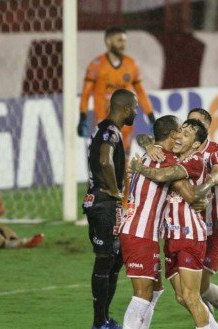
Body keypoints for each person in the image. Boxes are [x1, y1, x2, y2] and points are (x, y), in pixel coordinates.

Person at [138, 108, 218, 329]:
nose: (180, 133)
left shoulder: (207, 155)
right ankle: (209, 320)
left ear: (204, 131)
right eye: (183, 127)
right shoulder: (178, 152)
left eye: (191, 128)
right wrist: (149, 145)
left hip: (206, 229)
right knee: (183, 296)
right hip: (174, 232)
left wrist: (205, 187)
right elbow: (148, 136)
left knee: (196, 291)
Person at [120, 115, 212, 329]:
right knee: (143, 294)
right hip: (140, 233)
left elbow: (144, 137)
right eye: (180, 130)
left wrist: (148, 146)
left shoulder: (149, 154)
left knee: (156, 291)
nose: (181, 134)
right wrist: (204, 195)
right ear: (172, 134)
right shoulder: (166, 160)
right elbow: (189, 196)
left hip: (142, 231)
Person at [83, 89, 138, 329]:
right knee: (106, 260)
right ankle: (99, 322)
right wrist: (115, 190)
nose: (135, 112)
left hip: (103, 204)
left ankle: (104, 318)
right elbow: (105, 160)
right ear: (125, 109)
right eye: (134, 108)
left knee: (115, 261)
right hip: (103, 204)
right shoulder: (110, 132)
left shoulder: (105, 129)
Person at [78, 26, 156, 153]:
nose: (123, 44)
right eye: (119, 40)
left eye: (124, 41)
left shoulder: (131, 65)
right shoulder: (96, 66)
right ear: (108, 42)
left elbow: (141, 93)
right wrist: (82, 118)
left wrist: (152, 118)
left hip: (126, 125)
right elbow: (86, 94)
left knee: (123, 165)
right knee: (105, 163)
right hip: (104, 124)